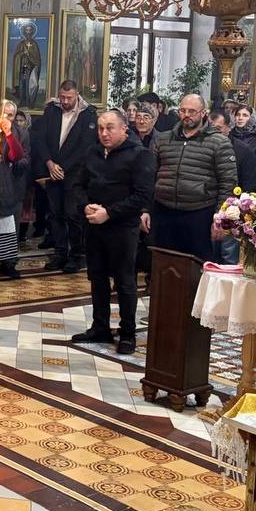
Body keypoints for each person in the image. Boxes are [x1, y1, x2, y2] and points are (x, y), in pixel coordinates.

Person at [68, 109, 156, 354]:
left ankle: (127, 333)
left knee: (125, 281)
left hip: (122, 228)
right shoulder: (93, 152)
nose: (104, 133)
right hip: (94, 226)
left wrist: (109, 213)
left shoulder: (140, 155)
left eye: (110, 128)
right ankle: (100, 327)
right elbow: (77, 185)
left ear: (124, 129)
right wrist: (85, 206)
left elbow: (142, 196)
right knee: (97, 278)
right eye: (100, 128)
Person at [146, 93, 237, 261]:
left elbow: (228, 184)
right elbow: (149, 177)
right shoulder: (163, 139)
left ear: (203, 113)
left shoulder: (219, 142)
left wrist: (220, 217)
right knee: (162, 263)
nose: (186, 115)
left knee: (196, 265)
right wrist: (145, 210)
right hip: (164, 210)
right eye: (183, 110)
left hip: (199, 212)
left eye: (192, 111)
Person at [30, 80, 98, 272]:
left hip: (75, 173)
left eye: (69, 98)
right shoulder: (52, 110)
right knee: (55, 214)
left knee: (72, 214)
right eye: (62, 97)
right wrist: (49, 163)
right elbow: (40, 139)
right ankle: (60, 253)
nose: (65, 101)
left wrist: (62, 168)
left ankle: (76, 256)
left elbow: (86, 147)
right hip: (52, 169)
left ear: (77, 95)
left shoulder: (88, 114)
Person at [0, 100, 27, 283]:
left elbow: (20, 157)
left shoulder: (20, 134)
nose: (7, 118)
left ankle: (3, 266)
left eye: (10, 115)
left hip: (8, 184)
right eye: (4, 114)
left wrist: (9, 136)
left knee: (5, 229)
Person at [210, 110, 256, 194]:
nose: (212, 132)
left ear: (229, 128)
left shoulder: (244, 151)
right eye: (209, 128)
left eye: (218, 129)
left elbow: (249, 185)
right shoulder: (200, 144)